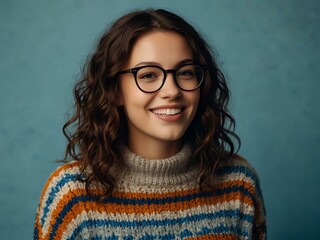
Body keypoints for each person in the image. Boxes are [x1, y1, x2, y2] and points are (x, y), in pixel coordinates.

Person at [33, 9, 266, 240]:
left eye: (185, 72)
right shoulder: (71, 195)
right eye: (147, 75)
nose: (172, 91)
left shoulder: (238, 183)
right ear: (115, 90)